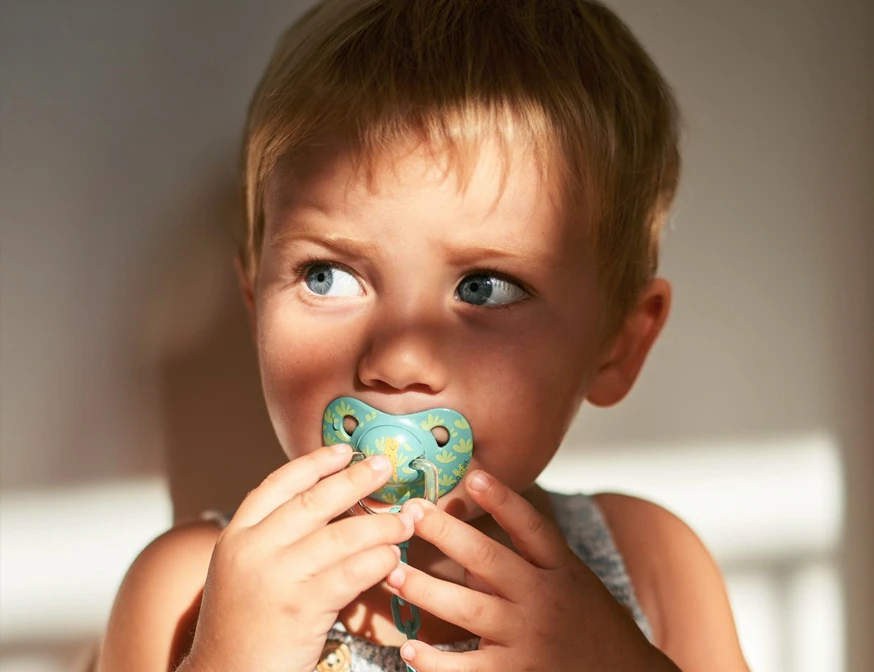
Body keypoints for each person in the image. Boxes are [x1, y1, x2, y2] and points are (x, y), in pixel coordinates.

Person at [98, 1, 749, 670]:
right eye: (327, 277)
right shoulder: (185, 594)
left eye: (484, 288)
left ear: (617, 345)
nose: (399, 358)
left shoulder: (651, 562)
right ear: (254, 301)